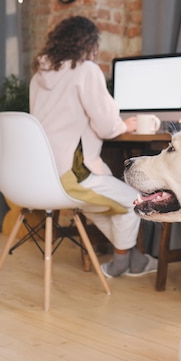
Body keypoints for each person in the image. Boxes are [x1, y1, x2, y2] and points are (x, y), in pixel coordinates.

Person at [29, 15, 157, 278]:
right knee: (133, 202)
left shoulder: (38, 78)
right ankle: (123, 261)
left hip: (42, 174)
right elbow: (107, 127)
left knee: (103, 206)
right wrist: (127, 125)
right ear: (89, 44)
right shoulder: (86, 70)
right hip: (71, 175)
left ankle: (133, 258)